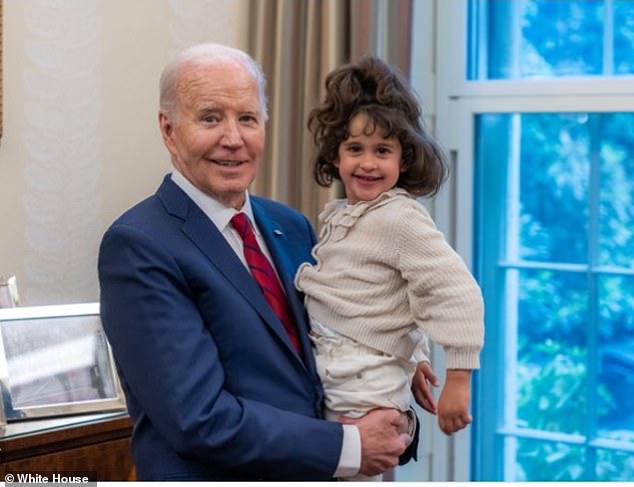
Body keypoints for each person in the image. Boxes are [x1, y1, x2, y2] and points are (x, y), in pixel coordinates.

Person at [97, 43, 428, 481]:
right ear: (169, 129)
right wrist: (350, 446)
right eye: (211, 117)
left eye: (248, 118)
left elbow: (338, 346)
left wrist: (396, 409)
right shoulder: (139, 245)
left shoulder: (291, 227)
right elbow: (198, 419)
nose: (233, 139)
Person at [295, 56, 485, 480]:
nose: (367, 163)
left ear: (404, 159)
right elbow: (394, 294)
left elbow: (454, 291)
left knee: (353, 471)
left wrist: (459, 379)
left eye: (382, 151)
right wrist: (415, 353)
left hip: (363, 380)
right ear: (336, 156)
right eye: (354, 149)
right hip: (337, 367)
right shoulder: (342, 215)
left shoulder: (400, 218)